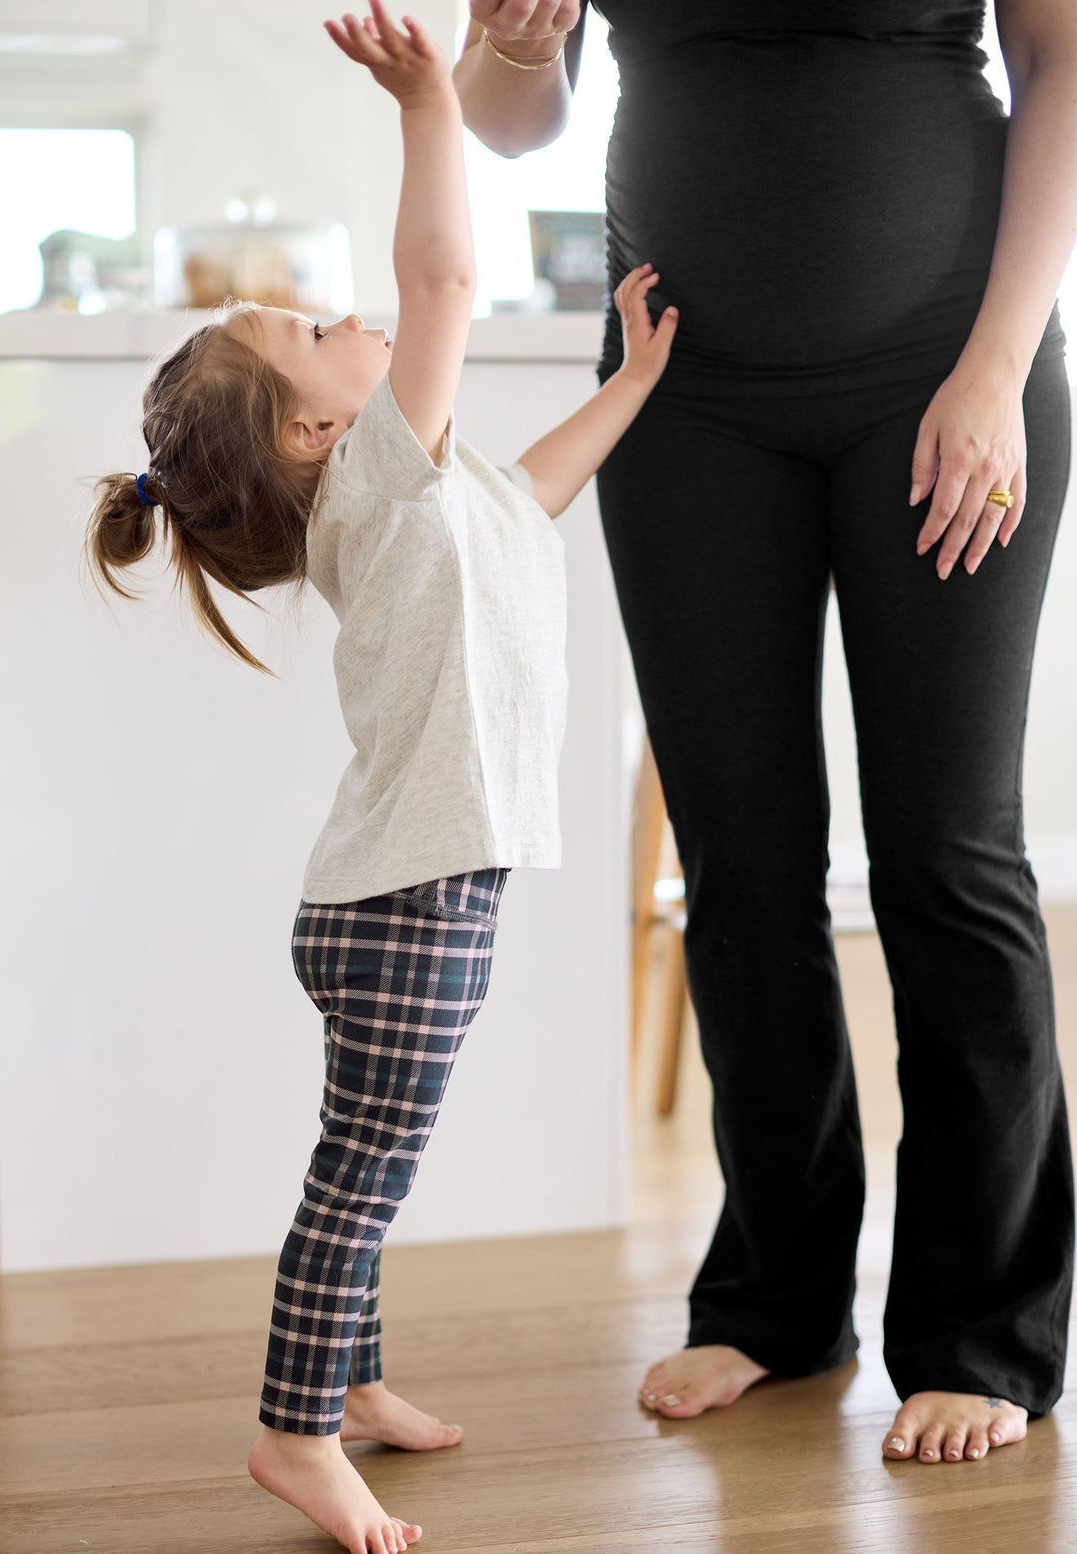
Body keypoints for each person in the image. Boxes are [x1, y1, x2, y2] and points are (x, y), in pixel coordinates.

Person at [456, 0, 1077, 1468]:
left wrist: (1003, 360)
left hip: (944, 375)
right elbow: (507, 114)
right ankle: (779, 1296)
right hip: (679, 402)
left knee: (947, 852)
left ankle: (981, 1327)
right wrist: (521, 47)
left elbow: (1060, 67)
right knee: (738, 857)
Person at [86, 6, 677, 1549]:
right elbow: (442, 277)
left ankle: (349, 1390)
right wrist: (430, 106)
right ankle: (295, 1433)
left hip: (396, 895)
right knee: (355, 1186)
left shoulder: (421, 493)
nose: (353, 312)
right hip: (408, 906)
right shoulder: (377, 473)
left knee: (364, 1165)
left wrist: (633, 381)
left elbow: (533, 496)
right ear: (316, 428)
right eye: (312, 326)